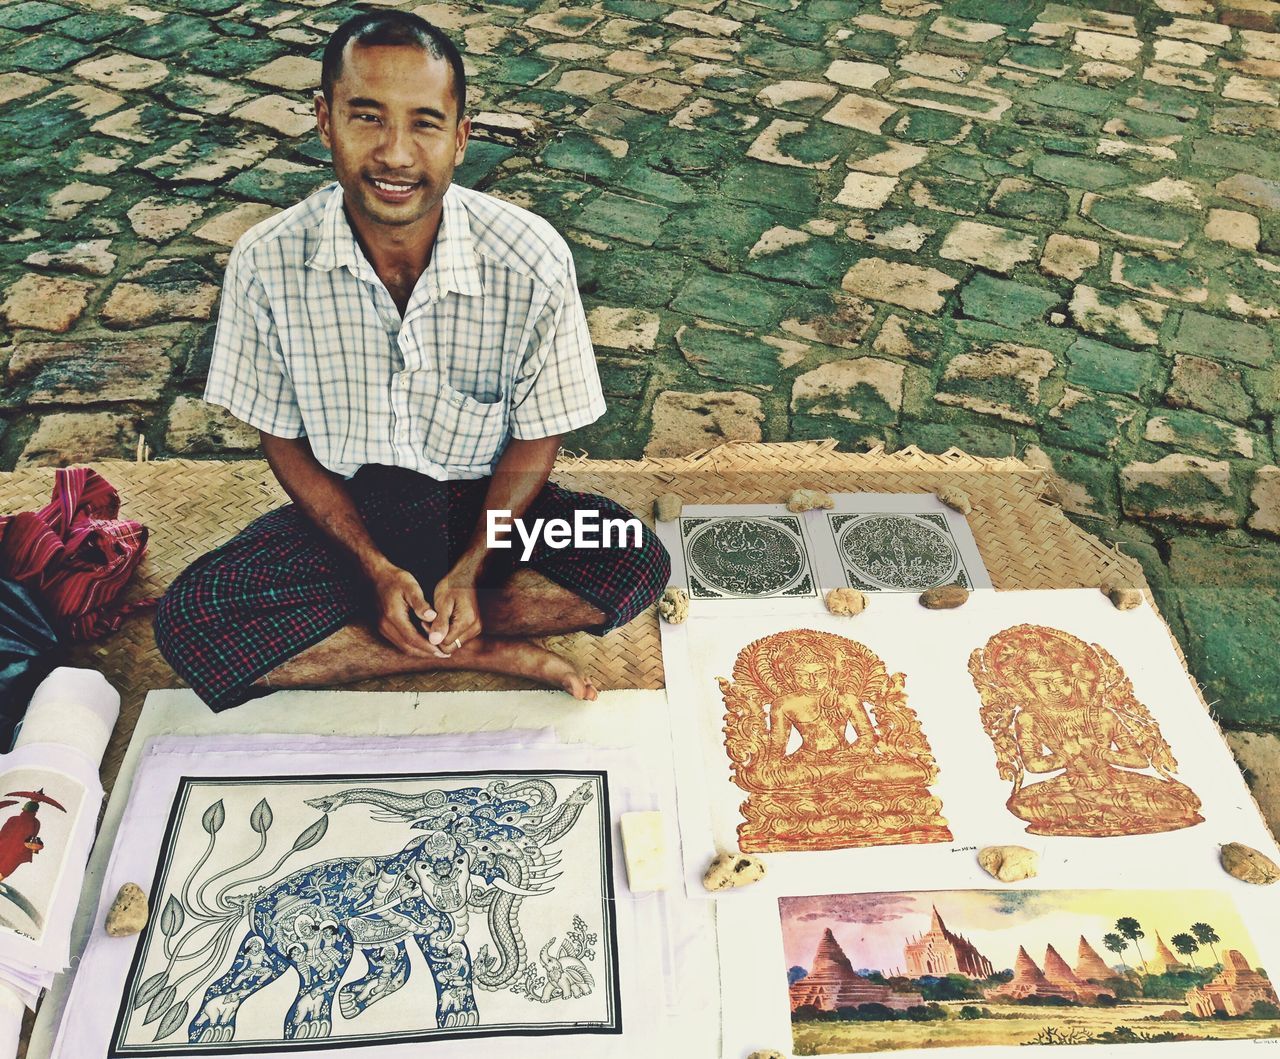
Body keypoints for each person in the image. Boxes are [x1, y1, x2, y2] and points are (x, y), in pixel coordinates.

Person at [154, 11, 669, 712]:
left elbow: (536, 436)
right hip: (349, 517)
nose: (396, 153)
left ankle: (393, 633)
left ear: (460, 139)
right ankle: (471, 641)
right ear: (325, 120)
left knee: (632, 554)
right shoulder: (267, 260)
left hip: (492, 514)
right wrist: (372, 566)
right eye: (367, 116)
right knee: (191, 620)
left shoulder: (530, 255)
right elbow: (282, 438)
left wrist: (472, 568)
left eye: (424, 123)